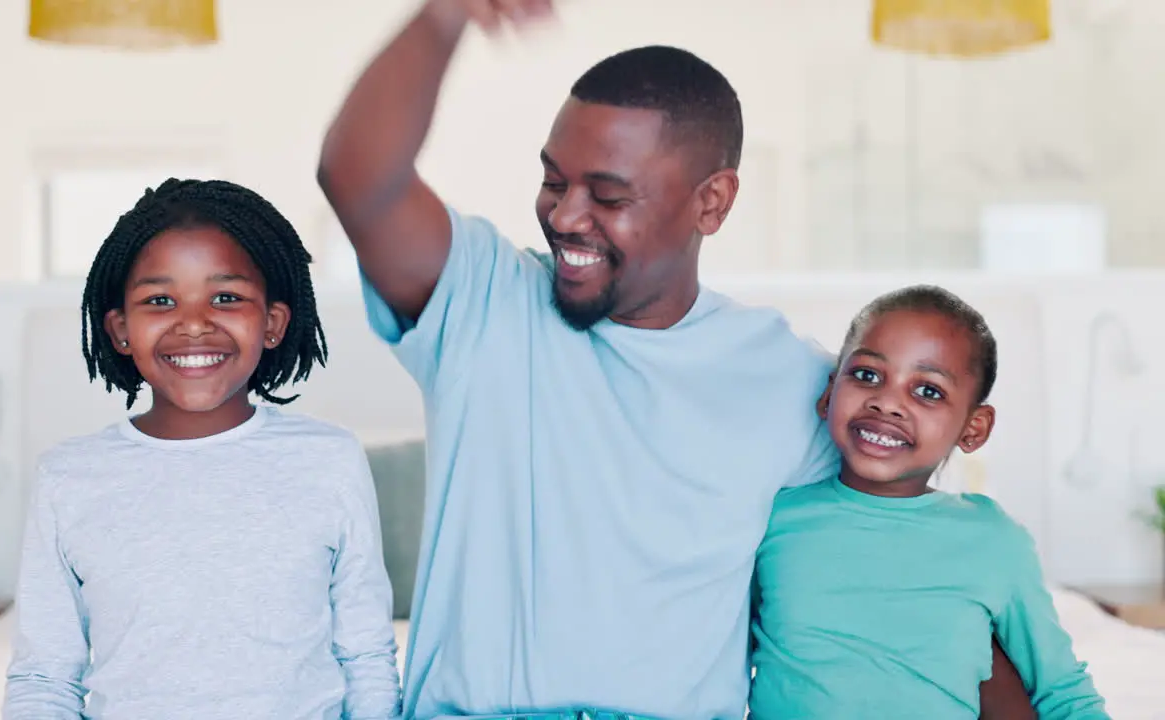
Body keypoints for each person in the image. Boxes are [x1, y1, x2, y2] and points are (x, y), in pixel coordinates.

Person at [318, 1, 1034, 717]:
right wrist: (447, 15)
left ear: (712, 203)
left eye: (608, 196)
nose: (566, 216)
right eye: (554, 181)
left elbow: (892, 575)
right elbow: (357, 177)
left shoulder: (798, 385)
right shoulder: (483, 302)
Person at [3, 179, 401, 719]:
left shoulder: (328, 460)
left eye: (227, 298)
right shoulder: (68, 479)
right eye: (160, 300)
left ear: (273, 324)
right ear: (120, 329)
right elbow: (44, 676)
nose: (193, 324)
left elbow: (366, 656)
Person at [749, 285, 1108, 719]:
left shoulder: (993, 540)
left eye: (929, 391)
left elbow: (1061, 690)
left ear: (973, 428)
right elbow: (712, 657)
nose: (887, 402)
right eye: (867, 375)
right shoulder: (772, 521)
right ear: (829, 394)